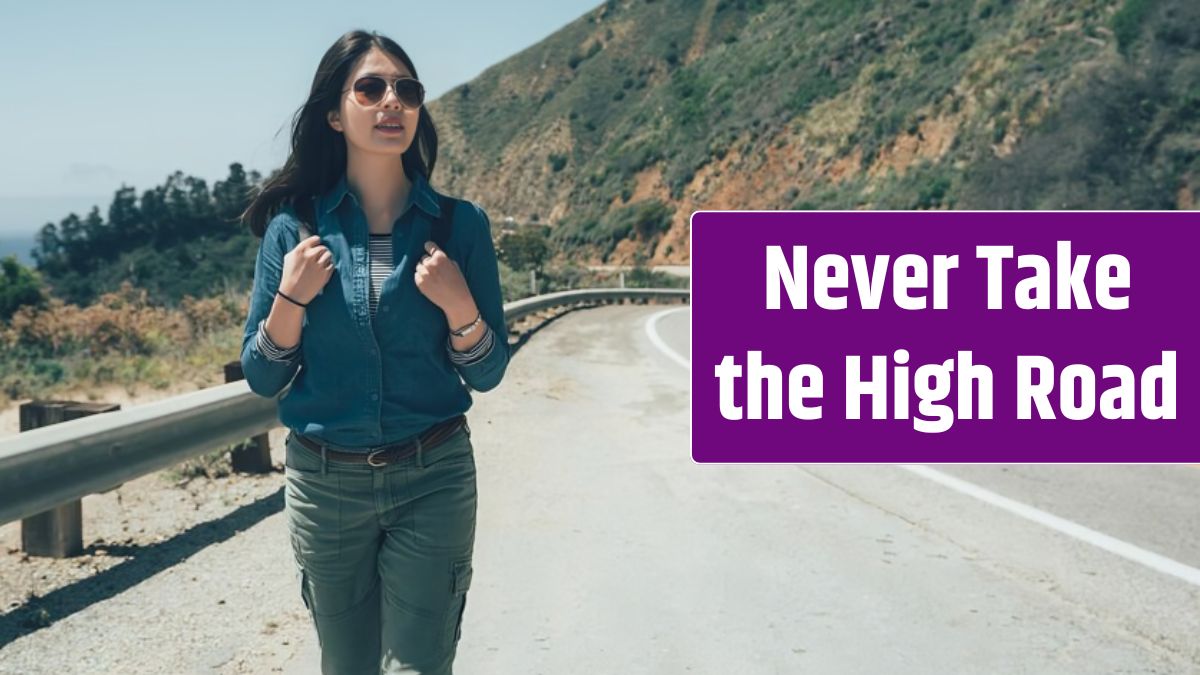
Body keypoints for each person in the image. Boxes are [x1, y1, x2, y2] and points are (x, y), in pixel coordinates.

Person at [238, 29, 510, 674]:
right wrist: (292, 298)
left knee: (420, 665)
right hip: (325, 482)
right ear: (334, 113)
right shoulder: (294, 230)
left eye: (407, 90)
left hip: (433, 474)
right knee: (347, 666)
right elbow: (260, 374)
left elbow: (490, 371)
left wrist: (459, 306)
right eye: (371, 88)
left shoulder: (457, 224)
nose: (393, 102)